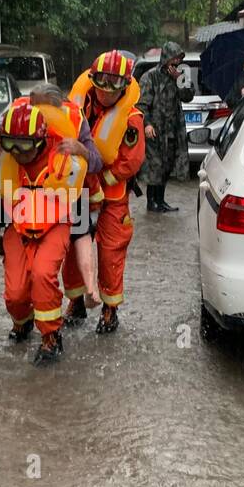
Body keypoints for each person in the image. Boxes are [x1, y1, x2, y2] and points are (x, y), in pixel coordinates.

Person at [0, 83, 102, 308]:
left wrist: (81, 150)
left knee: (80, 227)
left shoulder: (75, 119)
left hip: (66, 185)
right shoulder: (20, 114)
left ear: (58, 104)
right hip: (24, 186)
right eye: (32, 103)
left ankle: (89, 288)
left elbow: (97, 162)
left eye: (41, 105)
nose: (35, 109)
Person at [0, 100, 87, 364]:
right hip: (17, 226)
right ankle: (23, 321)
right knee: (15, 293)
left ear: (40, 141)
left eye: (24, 145)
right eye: (10, 145)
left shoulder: (67, 160)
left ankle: (51, 337)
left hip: (55, 225)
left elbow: (82, 213)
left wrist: (91, 282)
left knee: (43, 274)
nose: (17, 152)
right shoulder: (3, 163)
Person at [63, 50, 147, 334]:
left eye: (112, 85)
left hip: (112, 198)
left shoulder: (131, 120)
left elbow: (131, 160)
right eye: (100, 84)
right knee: (72, 250)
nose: (105, 92)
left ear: (124, 87)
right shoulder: (79, 104)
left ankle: (110, 309)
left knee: (111, 253)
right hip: (80, 192)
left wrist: (104, 177)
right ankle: (75, 301)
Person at [137, 40, 192, 212]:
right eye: (174, 58)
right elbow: (141, 105)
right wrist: (147, 124)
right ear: (166, 58)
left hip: (172, 130)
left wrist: (179, 79)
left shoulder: (179, 76)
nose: (176, 62)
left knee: (167, 166)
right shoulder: (150, 77)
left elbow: (188, 96)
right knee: (155, 167)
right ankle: (151, 201)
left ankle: (160, 200)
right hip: (155, 130)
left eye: (179, 59)